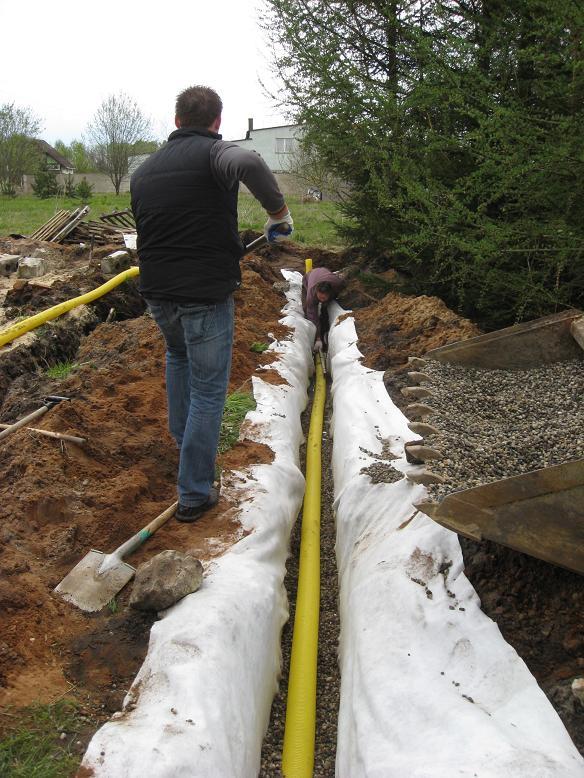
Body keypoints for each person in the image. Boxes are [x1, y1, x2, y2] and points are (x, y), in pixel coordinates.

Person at [131, 85, 293, 523]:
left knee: (177, 357)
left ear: (177, 119)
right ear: (217, 123)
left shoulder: (144, 171)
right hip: (203, 294)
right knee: (207, 390)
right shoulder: (215, 153)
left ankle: (186, 449)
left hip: (157, 293)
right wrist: (278, 214)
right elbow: (249, 160)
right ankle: (195, 492)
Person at [301, 267, 345, 352]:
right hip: (309, 278)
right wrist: (317, 338)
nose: (321, 299)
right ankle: (313, 337)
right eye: (320, 297)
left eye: (324, 297)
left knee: (325, 309)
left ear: (330, 293)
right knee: (307, 309)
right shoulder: (311, 293)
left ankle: (324, 331)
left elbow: (343, 285)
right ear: (317, 291)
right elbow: (312, 316)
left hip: (325, 274)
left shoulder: (337, 284)